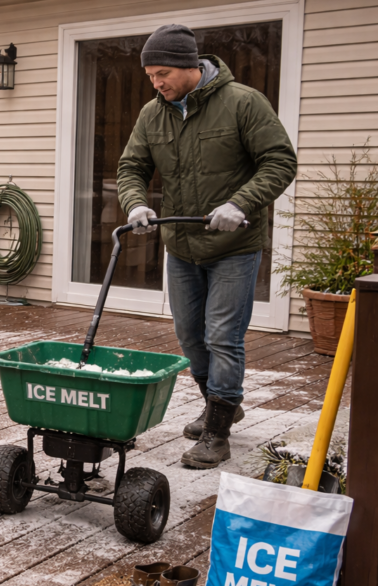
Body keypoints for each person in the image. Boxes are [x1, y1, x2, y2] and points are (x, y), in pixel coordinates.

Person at [117, 24, 297, 469]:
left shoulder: (243, 103)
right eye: (150, 75)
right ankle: (223, 404)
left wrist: (241, 202)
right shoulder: (151, 115)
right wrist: (136, 203)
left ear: (189, 65)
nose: (156, 82)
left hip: (234, 245)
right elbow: (131, 167)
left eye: (162, 73)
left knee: (223, 336)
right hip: (180, 245)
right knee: (190, 337)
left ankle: (217, 433)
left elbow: (280, 161)